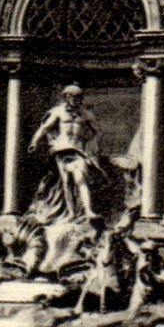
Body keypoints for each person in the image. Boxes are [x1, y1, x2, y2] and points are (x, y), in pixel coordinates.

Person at [27, 84, 102, 224]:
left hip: (78, 150)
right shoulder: (58, 112)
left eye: (78, 97)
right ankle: (72, 213)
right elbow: (45, 128)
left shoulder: (86, 114)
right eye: (71, 96)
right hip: (62, 148)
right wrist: (34, 142)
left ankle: (88, 210)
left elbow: (96, 132)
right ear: (66, 97)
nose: (75, 99)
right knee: (67, 181)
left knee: (80, 178)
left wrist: (92, 147)